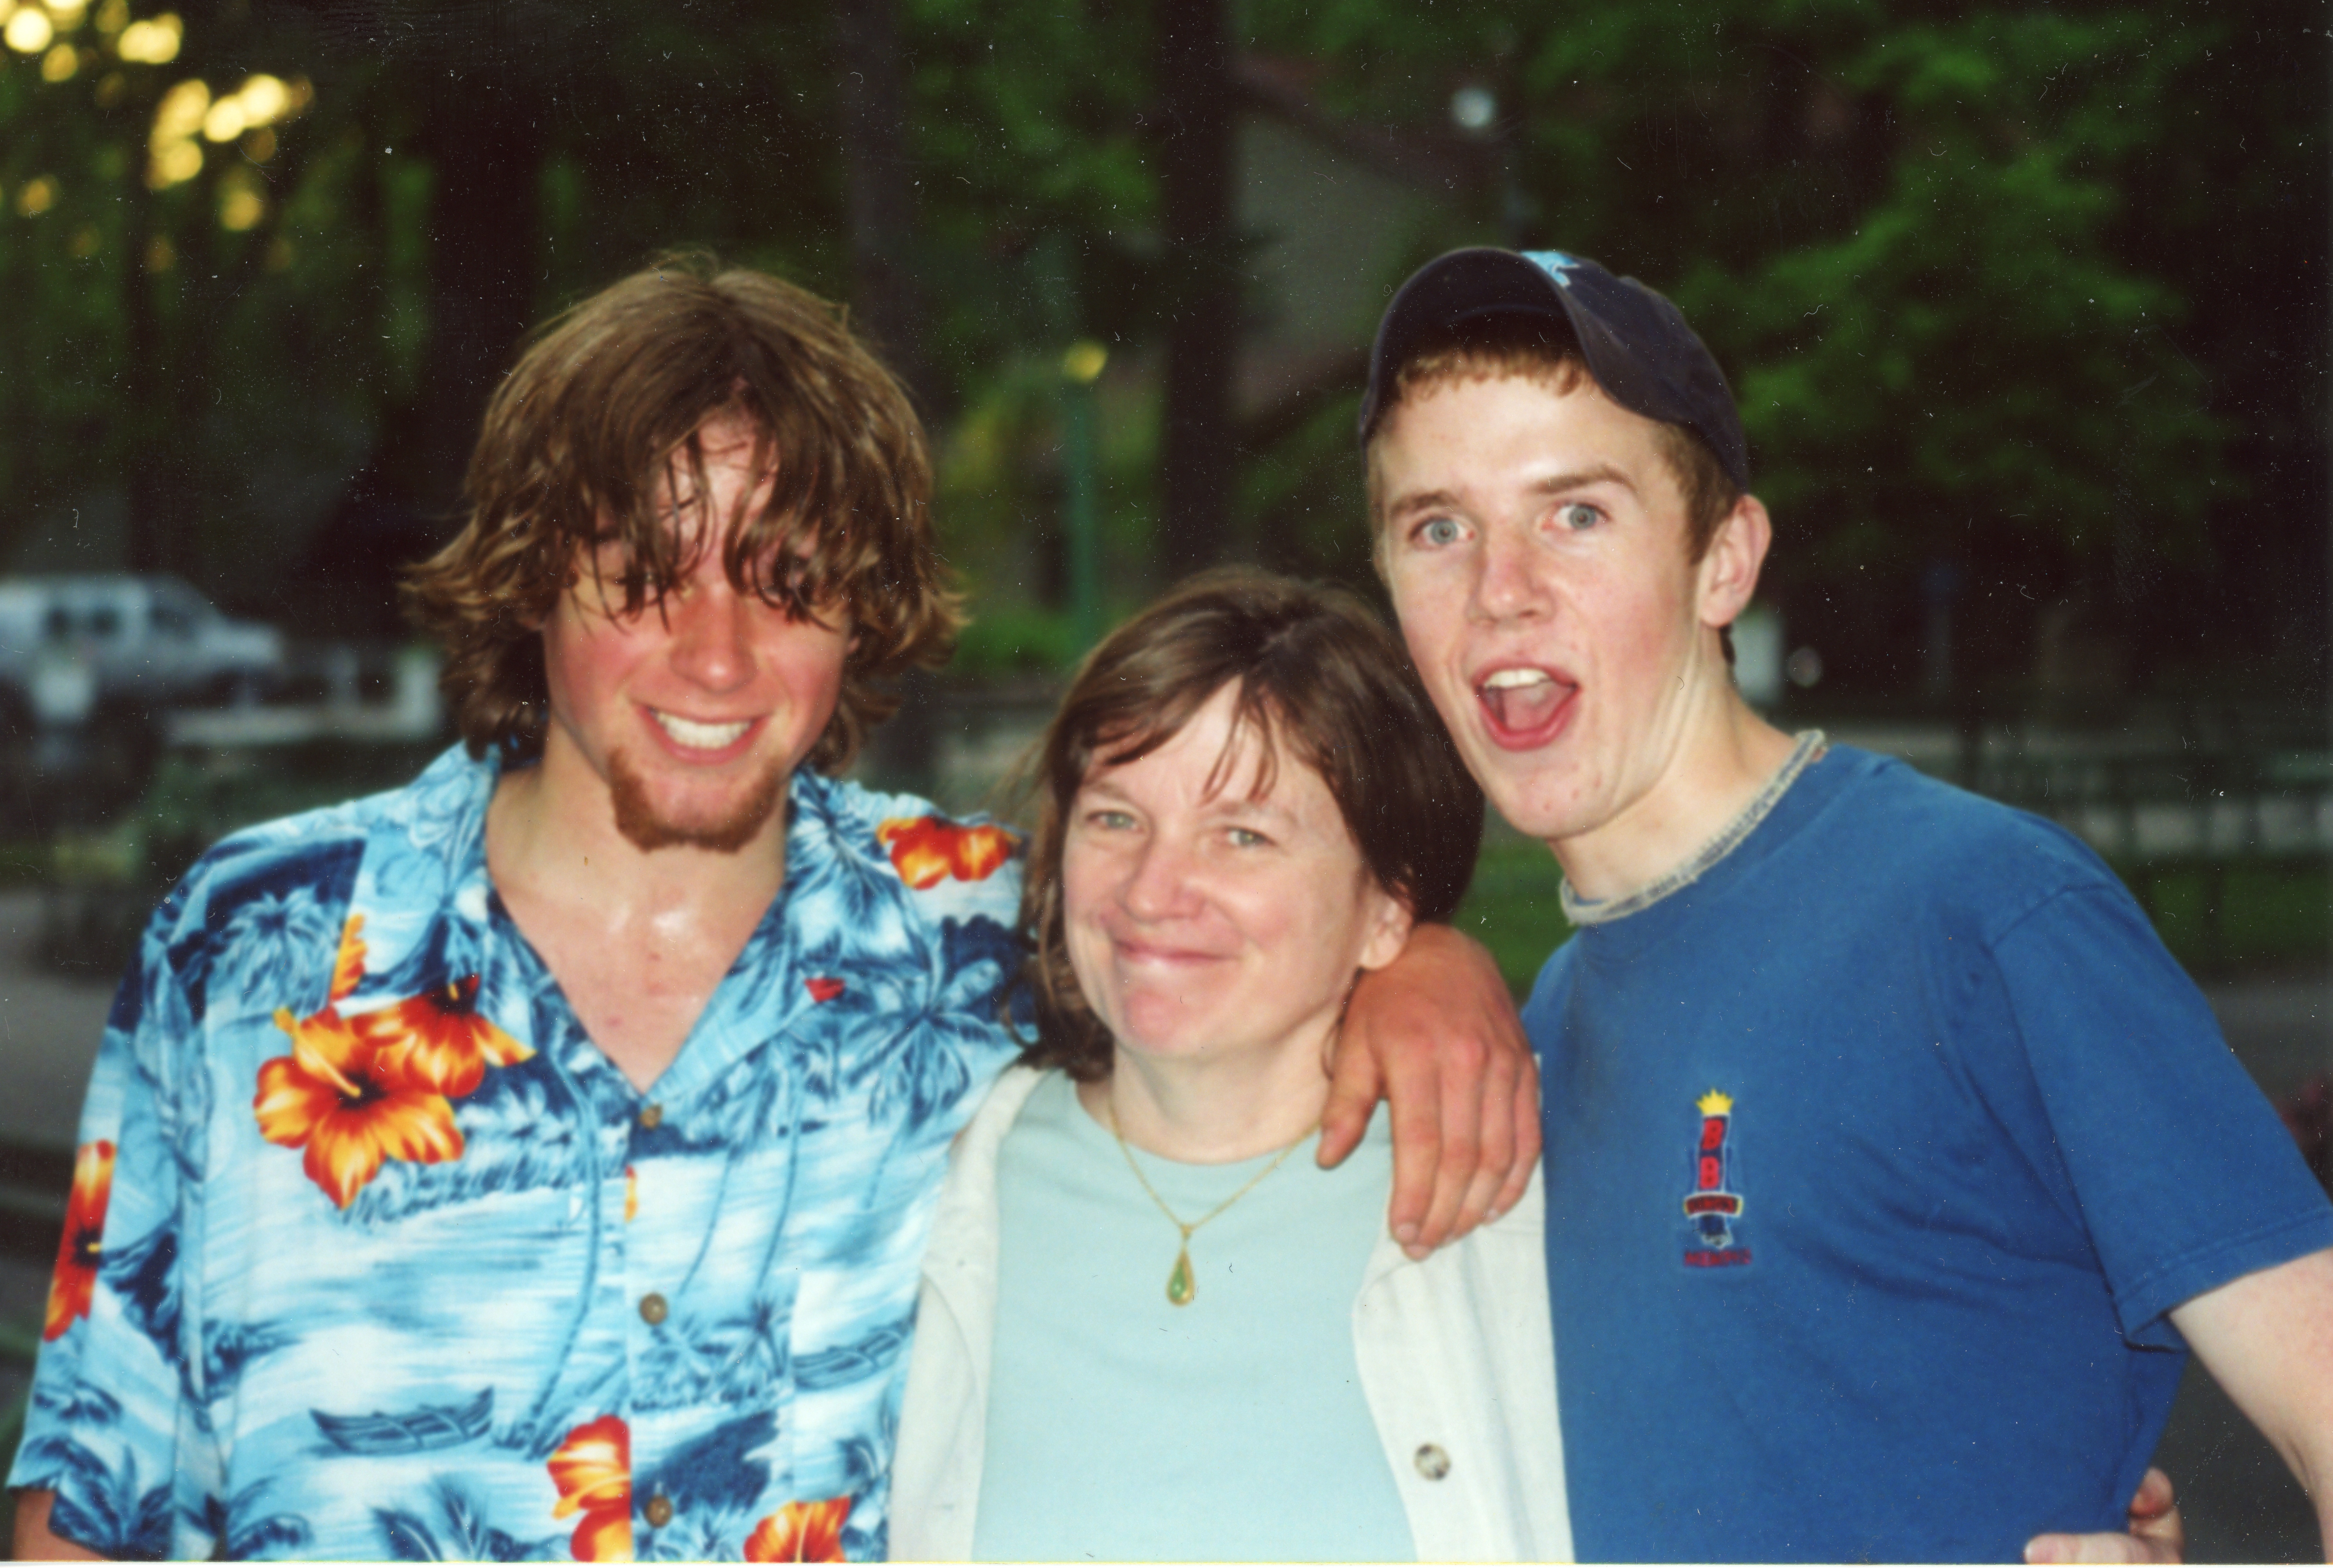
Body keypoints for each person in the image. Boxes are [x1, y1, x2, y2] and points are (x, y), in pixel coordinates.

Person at [7, 258, 1535, 1561]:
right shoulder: (248, 949)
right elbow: (86, 1501)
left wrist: (1429, 969)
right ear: (533, 578)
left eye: (788, 582)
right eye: (644, 574)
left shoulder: (977, 936)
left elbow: (1219, 932)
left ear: (862, 611)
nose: (719, 659)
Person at [1359, 245, 2333, 1563]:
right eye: (1438, 528)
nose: (1501, 588)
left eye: (1575, 513)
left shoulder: (1981, 912)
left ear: (1724, 560)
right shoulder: (1539, 1032)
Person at [889, 569, 1570, 1562]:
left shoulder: (1507, 1193)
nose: (1153, 891)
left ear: (1387, 906)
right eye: (1115, 818)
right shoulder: (929, 1180)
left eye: (1242, 836)